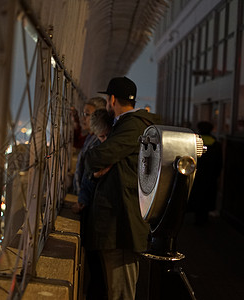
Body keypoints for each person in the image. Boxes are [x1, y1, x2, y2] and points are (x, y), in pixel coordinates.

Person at [84, 76, 161, 299]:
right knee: (116, 289)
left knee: (121, 292)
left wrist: (95, 162)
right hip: (118, 224)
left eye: (108, 99)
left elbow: (96, 157)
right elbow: (99, 164)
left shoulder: (132, 126)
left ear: (113, 99)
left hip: (123, 225)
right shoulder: (127, 126)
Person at [79, 108, 113, 300]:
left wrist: (83, 199)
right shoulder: (107, 144)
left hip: (97, 214)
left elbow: (86, 176)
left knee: (98, 273)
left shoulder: (101, 148)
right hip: (97, 213)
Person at [188, 121, 222, 225]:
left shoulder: (195, 142)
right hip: (210, 176)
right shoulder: (215, 143)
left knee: (197, 196)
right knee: (207, 197)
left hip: (197, 175)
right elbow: (219, 162)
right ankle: (204, 217)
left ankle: (197, 217)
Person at [73, 98, 107, 198]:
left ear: (98, 117)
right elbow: (77, 143)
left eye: (87, 115)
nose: (83, 119)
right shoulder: (90, 137)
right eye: (83, 114)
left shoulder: (98, 142)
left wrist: (83, 199)